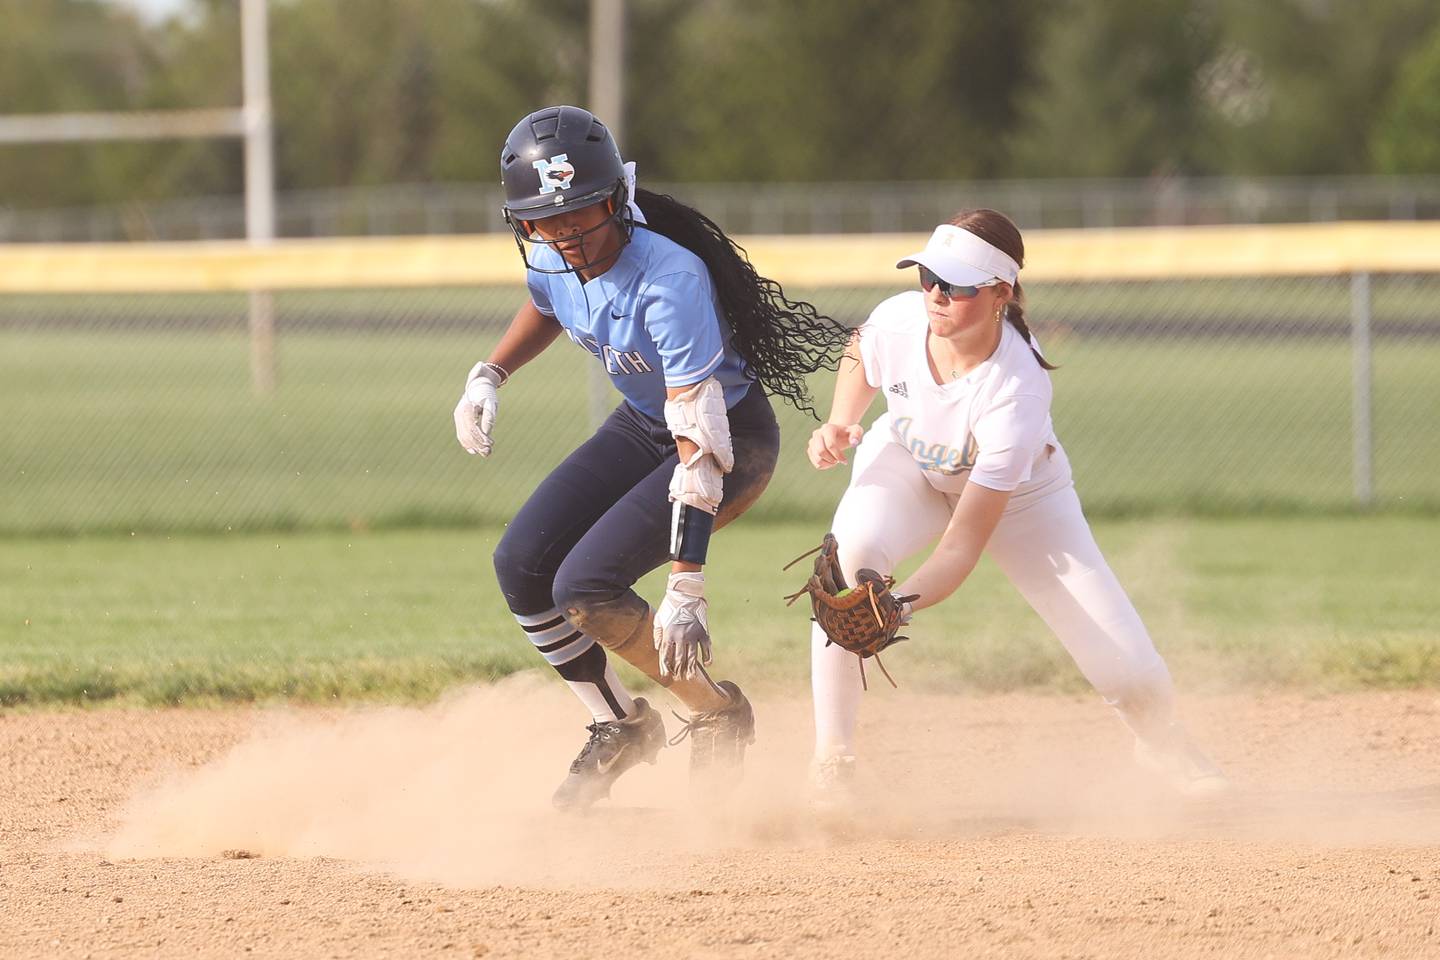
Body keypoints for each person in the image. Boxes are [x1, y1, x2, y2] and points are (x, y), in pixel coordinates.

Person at [454, 105, 850, 811]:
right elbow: (548, 300)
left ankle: (717, 710)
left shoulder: (670, 280)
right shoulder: (551, 253)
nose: (567, 233)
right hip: (644, 424)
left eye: (583, 212)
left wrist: (686, 583)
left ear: (616, 199)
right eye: (546, 220)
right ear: (525, 224)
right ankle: (618, 725)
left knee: (586, 587)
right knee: (521, 565)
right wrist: (490, 374)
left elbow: (701, 441)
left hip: (727, 436)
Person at [803, 208, 1229, 804]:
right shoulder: (901, 319)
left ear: (1001, 292)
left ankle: (1162, 741)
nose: (936, 295)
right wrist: (841, 420)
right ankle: (835, 760)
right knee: (849, 568)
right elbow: (862, 349)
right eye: (928, 277)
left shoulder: (1015, 388)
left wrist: (896, 606)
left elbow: (961, 544)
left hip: (1024, 499)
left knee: (1127, 669)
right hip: (910, 463)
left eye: (956, 285)